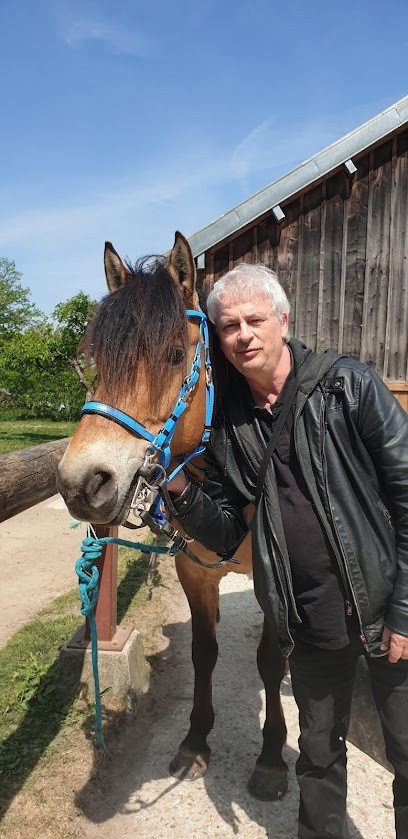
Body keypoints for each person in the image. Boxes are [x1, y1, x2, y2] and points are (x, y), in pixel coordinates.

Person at [167, 262, 408, 839]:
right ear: (216, 338)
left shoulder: (348, 385)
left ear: (283, 320)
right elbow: (226, 533)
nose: (243, 334)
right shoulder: (228, 427)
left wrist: (404, 609)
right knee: (318, 760)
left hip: (383, 613)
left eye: (255, 319)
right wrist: (175, 486)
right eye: (229, 326)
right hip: (309, 618)